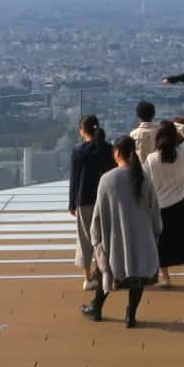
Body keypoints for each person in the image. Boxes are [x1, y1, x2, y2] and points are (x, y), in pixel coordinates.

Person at [83, 135, 162, 327]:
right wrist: (156, 232)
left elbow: (98, 215)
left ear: (117, 152)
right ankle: (130, 315)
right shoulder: (144, 178)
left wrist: (96, 239)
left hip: (115, 239)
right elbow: (154, 210)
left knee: (106, 272)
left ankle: (96, 308)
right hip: (142, 237)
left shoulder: (107, 179)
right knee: (138, 276)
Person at [145, 119, 184, 288]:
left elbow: (145, 180)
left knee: (162, 243)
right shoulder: (182, 152)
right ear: (173, 136)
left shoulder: (151, 159)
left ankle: (166, 278)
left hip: (160, 205)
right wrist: (176, 125)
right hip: (180, 203)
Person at [68, 115, 111, 292]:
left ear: (82, 130)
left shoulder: (78, 151)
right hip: (105, 200)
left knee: (85, 240)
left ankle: (88, 279)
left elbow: (74, 179)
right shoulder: (108, 149)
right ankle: (107, 274)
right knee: (106, 238)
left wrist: (72, 203)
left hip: (84, 199)